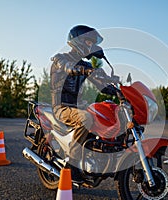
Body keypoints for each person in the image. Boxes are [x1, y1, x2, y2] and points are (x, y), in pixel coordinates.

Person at [50, 25, 117, 182]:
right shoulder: (60, 58)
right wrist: (85, 70)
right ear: (77, 41)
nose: (91, 46)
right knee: (86, 118)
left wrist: (117, 89)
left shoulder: (87, 66)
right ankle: (71, 165)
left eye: (92, 43)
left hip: (78, 107)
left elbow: (102, 86)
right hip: (62, 108)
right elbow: (69, 68)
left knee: (105, 114)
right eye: (88, 42)